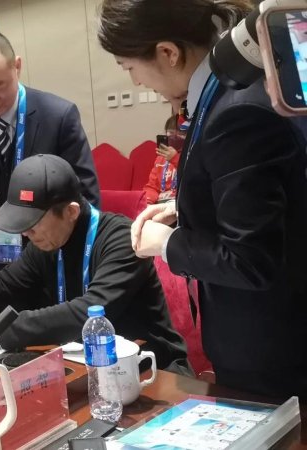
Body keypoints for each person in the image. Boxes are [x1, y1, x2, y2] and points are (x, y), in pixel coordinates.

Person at [99, 0, 307, 398]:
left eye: (129, 68)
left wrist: (166, 243)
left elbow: (251, 261)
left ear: (168, 52)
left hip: (273, 352)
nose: (136, 82)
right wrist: (184, 208)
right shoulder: (223, 92)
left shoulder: (236, 110)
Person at [0, 154, 191, 375]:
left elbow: (89, 312)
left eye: (33, 222)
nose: (26, 232)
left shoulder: (123, 239)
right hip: (87, 370)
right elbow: (2, 292)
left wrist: (4, 327)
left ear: (71, 212)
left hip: (151, 370)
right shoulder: (45, 242)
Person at [0, 31, 100, 273]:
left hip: (52, 256)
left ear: (17, 66)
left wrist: (73, 259)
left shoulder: (58, 116)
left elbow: (84, 195)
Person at [143, 115, 185, 205]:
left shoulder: (191, 155)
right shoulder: (160, 158)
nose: (175, 136)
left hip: (180, 203)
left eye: (181, 133)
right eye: (171, 132)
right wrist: (148, 201)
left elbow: (192, 177)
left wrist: (175, 158)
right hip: (160, 203)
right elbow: (152, 187)